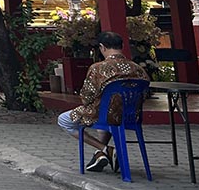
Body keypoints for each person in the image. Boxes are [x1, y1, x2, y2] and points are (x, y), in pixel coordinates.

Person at [56, 30, 148, 172]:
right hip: (129, 116)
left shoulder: (98, 68)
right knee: (109, 115)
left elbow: (86, 97)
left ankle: (104, 149)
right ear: (122, 46)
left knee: (64, 120)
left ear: (102, 47)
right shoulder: (138, 69)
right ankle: (100, 155)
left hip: (103, 115)